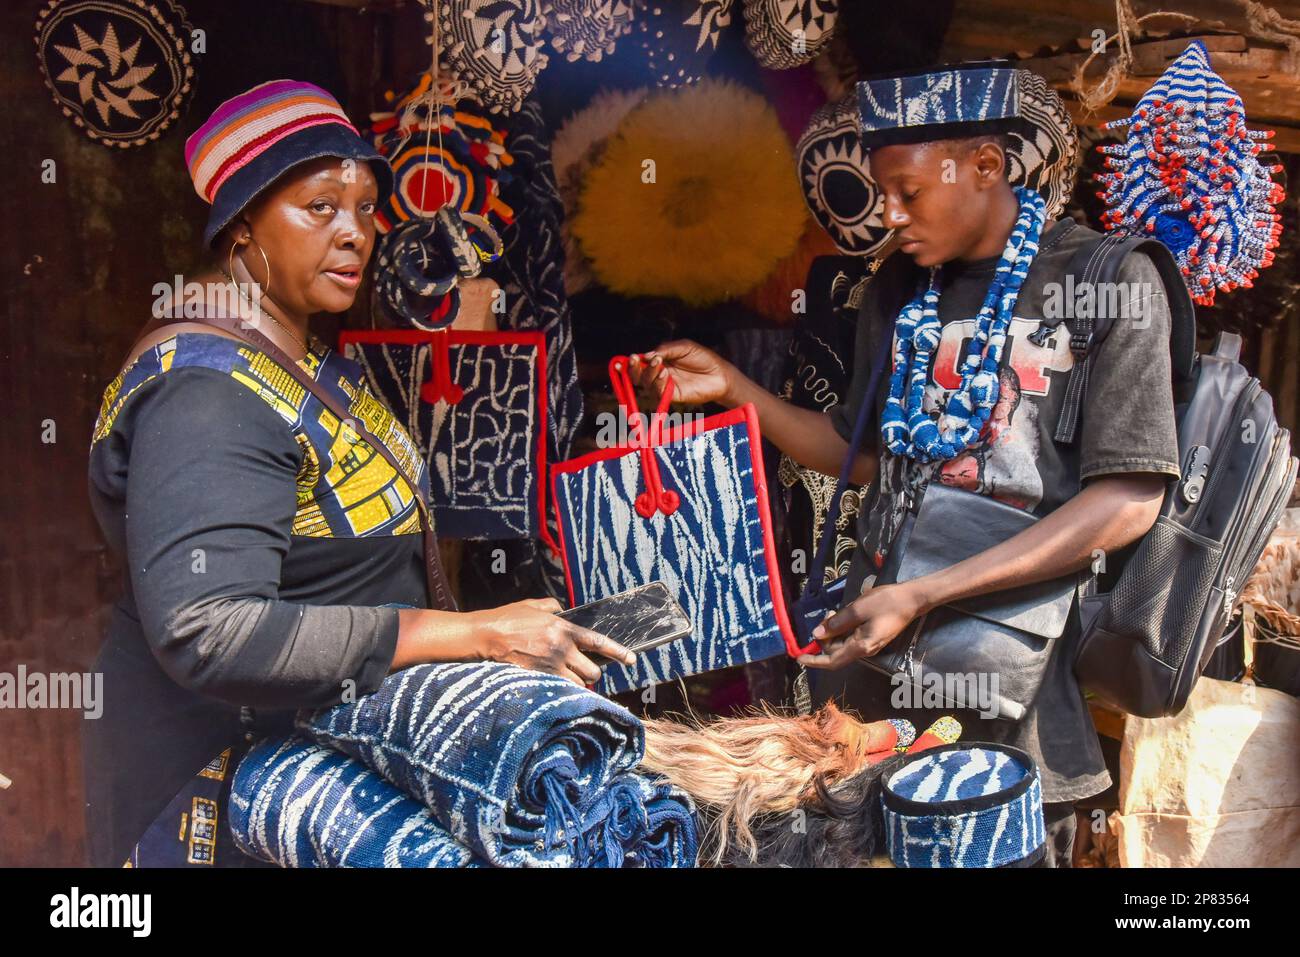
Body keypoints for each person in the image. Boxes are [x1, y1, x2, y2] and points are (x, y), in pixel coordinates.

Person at [631, 64, 1181, 867]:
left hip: (1013, 697)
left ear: (985, 166)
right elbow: (865, 459)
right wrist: (734, 388)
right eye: (880, 189)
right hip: (872, 692)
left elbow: (1129, 499)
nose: (888, 214)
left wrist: (924, 591)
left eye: (908, 191)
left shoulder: (1110, 281)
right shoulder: (899, 289)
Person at [84, 80, 635, 868]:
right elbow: (212, 628)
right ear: (242, 222)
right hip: (213, 782)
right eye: (320, 208)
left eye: (368, 208)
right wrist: (472, 633)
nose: (356, 233)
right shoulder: (205, 394)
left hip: (307, 747)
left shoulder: (295, 349)